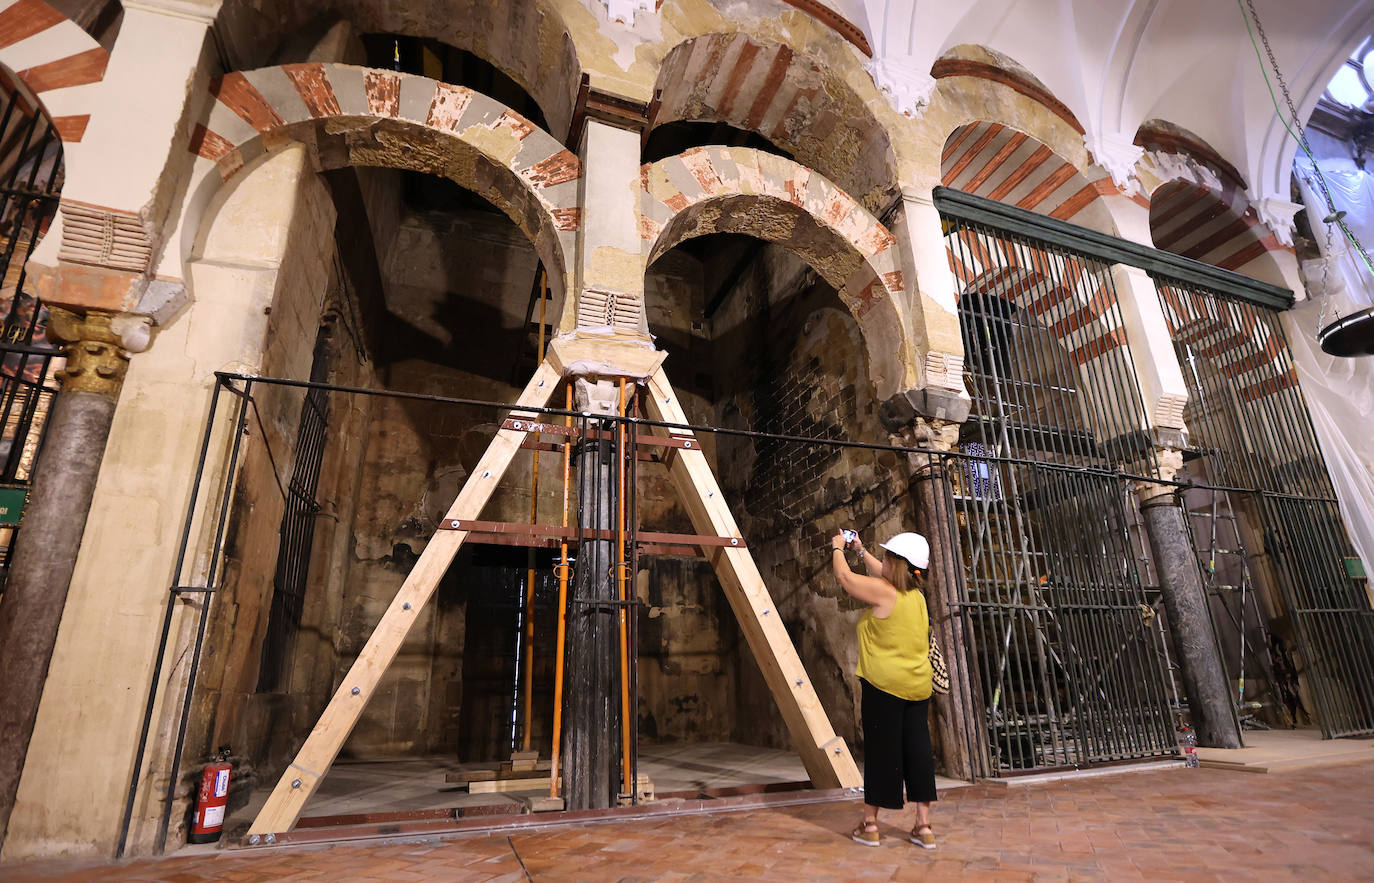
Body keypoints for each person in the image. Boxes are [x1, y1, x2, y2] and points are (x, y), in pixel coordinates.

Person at [831, 530, 937, 849]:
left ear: (897, 563)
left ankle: (870, 825)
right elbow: (885, 574)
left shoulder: (883, 592)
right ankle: (924, 826)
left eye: (888, 556)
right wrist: (862, 550)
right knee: (918, 754)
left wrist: (837, 548)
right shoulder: (915, 594)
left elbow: (845, 578)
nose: (885, 561)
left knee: (882, 754)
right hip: (918, 687)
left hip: (884, 689)